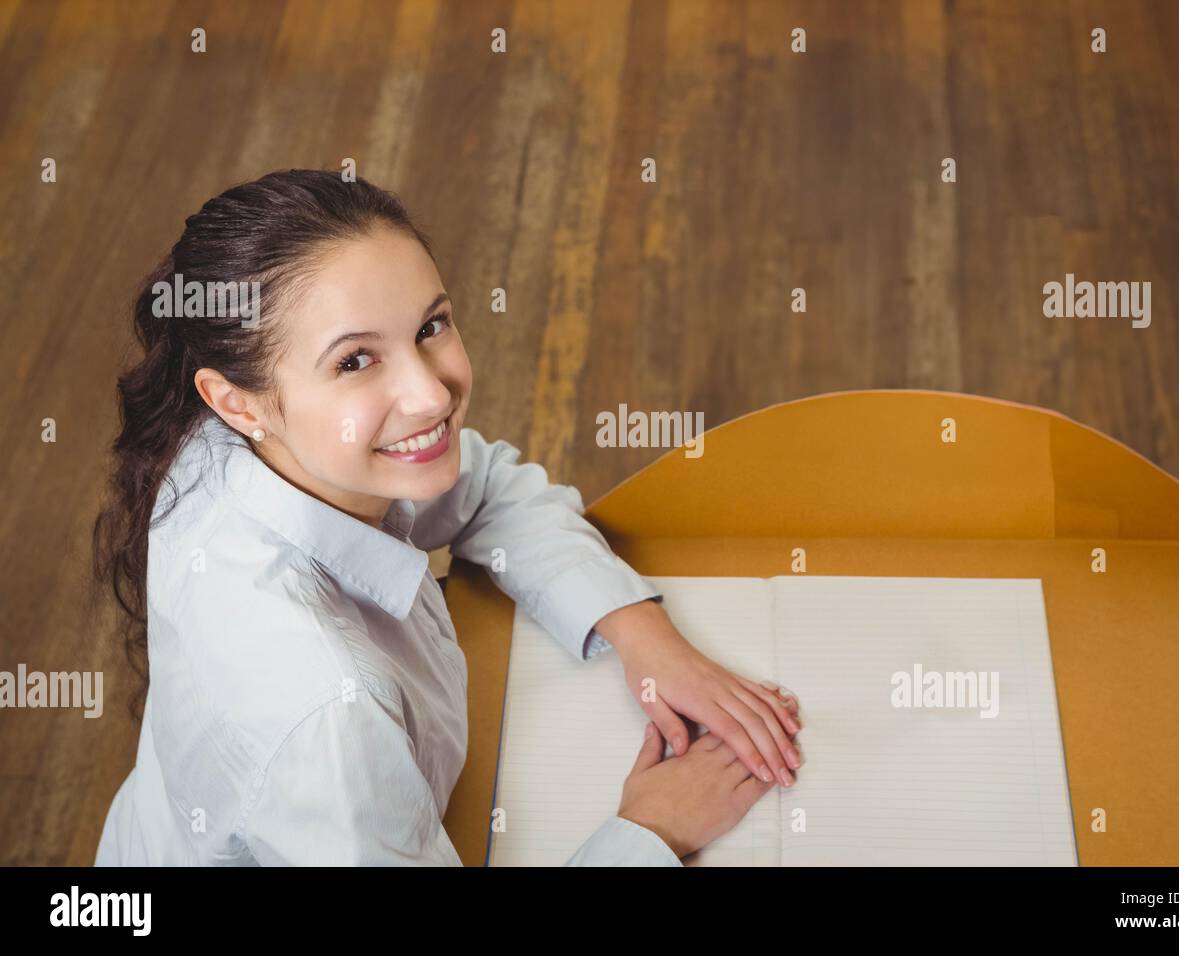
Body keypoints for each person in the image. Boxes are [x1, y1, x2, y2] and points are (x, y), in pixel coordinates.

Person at [91, 169, 803, 865]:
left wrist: (641, 633)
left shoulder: (256, 442)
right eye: (355, 361)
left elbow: (482, 482)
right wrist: (652, 831)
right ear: (237, 402)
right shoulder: (324, 719)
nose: (431, 395)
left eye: (431, 325)